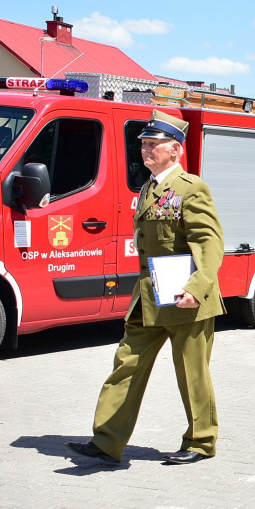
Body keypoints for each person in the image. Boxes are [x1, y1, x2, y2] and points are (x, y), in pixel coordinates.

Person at [66, 110, 225, 465]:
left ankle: (201, 442)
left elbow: (209, 243)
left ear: (176, 150)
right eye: (144, 144)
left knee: (191, 372)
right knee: (127, 362)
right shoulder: (149, 188)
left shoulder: (192, 188)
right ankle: (107, 440)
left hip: (186, 298)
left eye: (154, 144)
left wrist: (196, 288)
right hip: (150, 297)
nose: (146, 150)